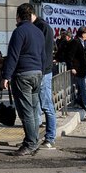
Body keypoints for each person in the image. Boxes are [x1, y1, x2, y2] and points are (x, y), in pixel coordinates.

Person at [1, 3, 46, 157]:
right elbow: (43, 55)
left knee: (26, 112)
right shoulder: (39, 32)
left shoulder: (19, 31)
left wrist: (6, 76)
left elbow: (13, 56)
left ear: (18, 17)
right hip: (37, 73)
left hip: (23, 75)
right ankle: (34, 140)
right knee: (33, 110)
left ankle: (30, 144)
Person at [33, 12, 57, 148]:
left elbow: (45, 52)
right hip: (40, 71)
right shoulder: (38, 26)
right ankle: (34, 138)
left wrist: (42, 71)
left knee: (47, 106)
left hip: (43, 72)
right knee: (36, 107)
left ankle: (50, 137)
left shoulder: (43, 27)